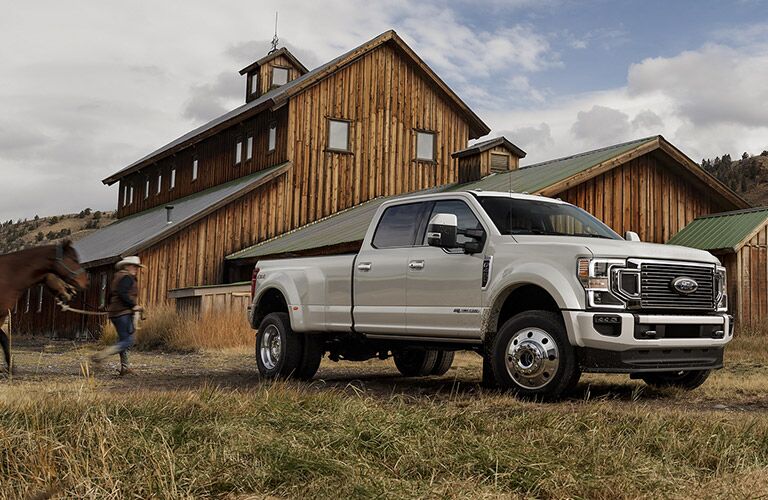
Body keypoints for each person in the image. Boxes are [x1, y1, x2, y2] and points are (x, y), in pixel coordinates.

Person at [92, 256, 144, 375]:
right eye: (134, 266)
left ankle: (125, 367)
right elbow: (122, 293)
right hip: (123, 313)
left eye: (137, 267)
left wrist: (111, 308)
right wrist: (133, 305)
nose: (136, 269)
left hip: (116, 313)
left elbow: (111, 296)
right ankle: (101, 356)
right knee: (128, 341)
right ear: (126, 266)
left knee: (123, 339)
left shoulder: (118, 277)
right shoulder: (127, 277)